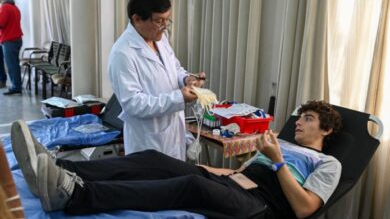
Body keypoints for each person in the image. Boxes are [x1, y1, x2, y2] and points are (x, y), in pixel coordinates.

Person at [12, 100, 342, 218]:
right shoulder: (280, 142)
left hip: (260, 207)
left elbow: (303, 208)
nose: (298, 121)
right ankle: (60, 168)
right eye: (300, 116)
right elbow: (243, 171)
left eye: (308, 118)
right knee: (157, 159)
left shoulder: (328, 164)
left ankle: (76, 195)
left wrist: (279, 160)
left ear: (325, 129)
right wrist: (205, 167)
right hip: (235, 185)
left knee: (189, 185)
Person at [108, 0, 205, 161]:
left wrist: (187, 79)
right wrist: (179, 97)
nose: (165, 26)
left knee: (176, 181)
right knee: (155, 183)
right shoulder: (122, 54)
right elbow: (133, 103)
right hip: (148, 141)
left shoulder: (160, 38)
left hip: (172, 134)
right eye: (159, 21)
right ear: (137, 19)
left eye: (167, 20)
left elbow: (174, 68)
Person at [0, 0, 23, 95]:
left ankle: (16, 87)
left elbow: (1, 23)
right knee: (15, 64)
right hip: (17, 39)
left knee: (12, 65)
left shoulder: (5, 7)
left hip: (10, 40)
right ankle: (16, 85)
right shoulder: (15, 7)